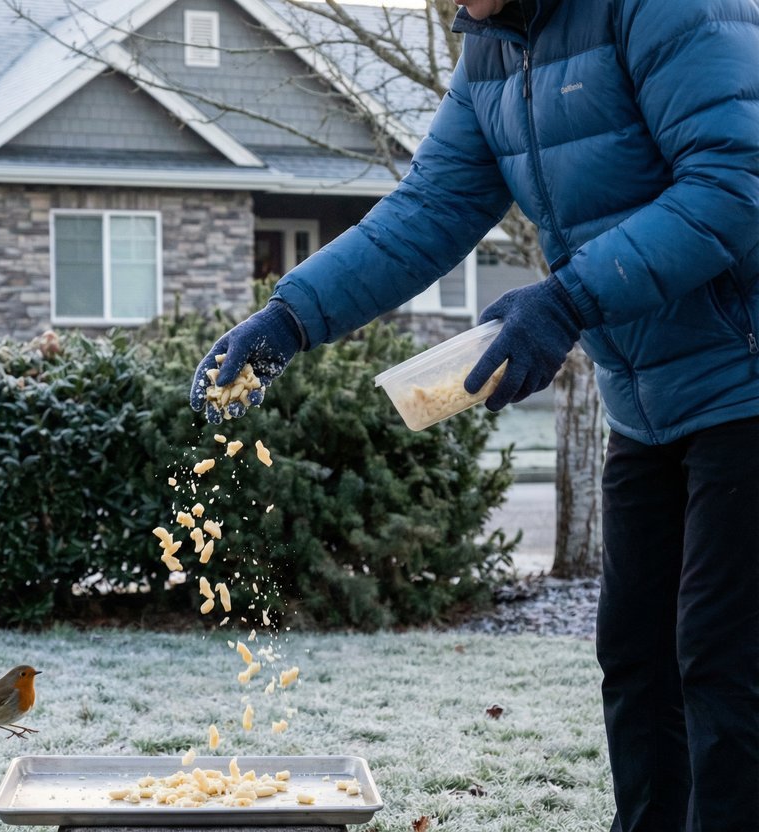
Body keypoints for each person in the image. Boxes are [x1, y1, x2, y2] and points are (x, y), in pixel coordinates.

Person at [189, 0, 759, 829]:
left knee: (723, 661)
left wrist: (567, 300)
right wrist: (289, 319)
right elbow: (431, 209)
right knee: (639, 662)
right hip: (647, 403)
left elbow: (734, 181)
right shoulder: (495, 51)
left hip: (746, 383)